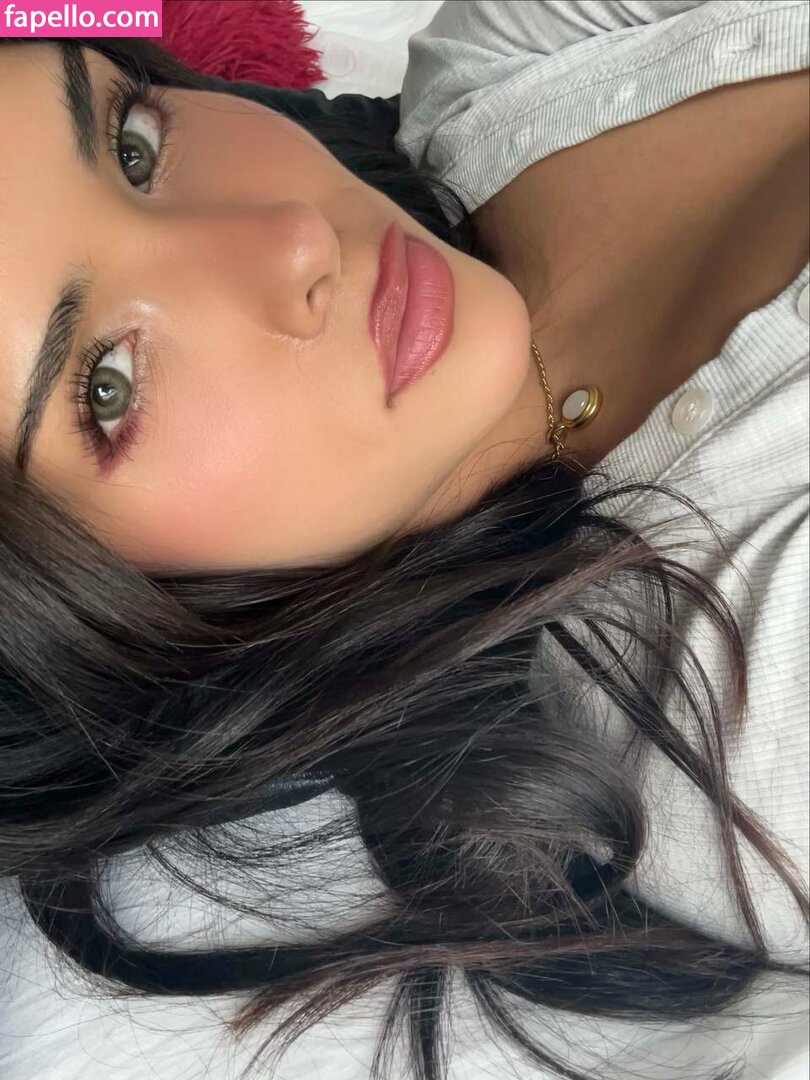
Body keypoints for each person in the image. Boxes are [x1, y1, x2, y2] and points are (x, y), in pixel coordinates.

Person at [0, 3, 807, 1078]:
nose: (291, 239)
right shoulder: (746, 697)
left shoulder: (495, 65)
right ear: (80, 625)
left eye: (133, 144)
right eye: (108, 386)